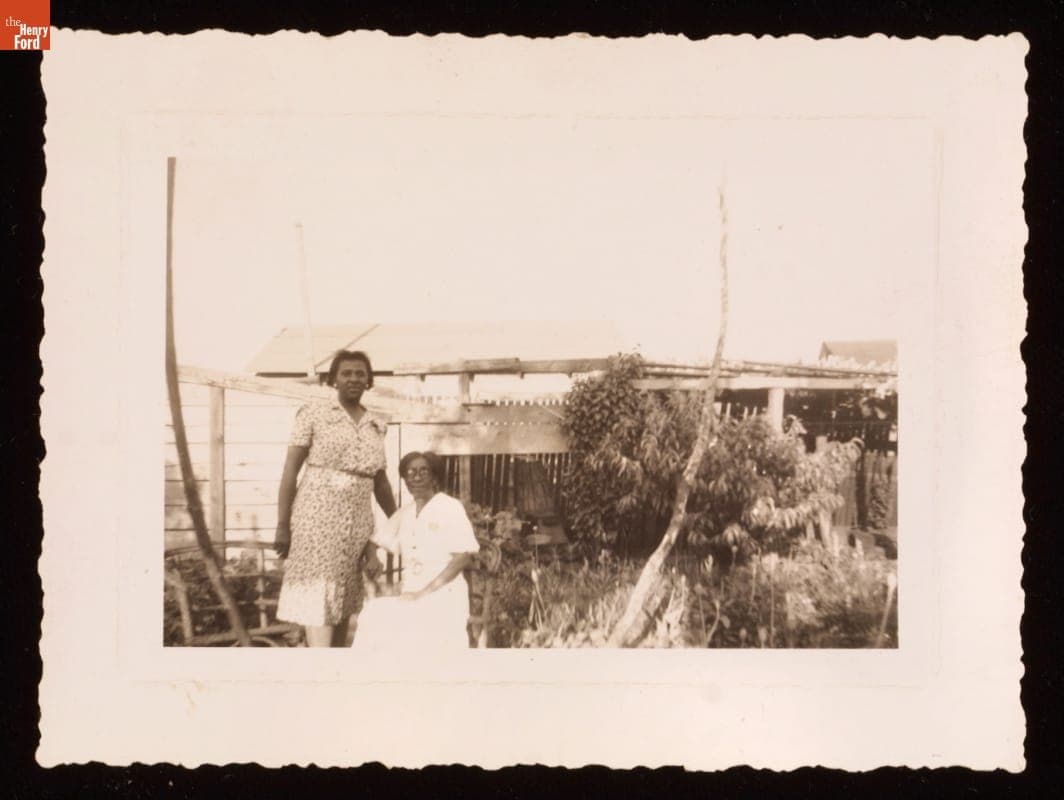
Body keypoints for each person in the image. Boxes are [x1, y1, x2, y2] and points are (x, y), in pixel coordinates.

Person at [274, 350, 397, 647]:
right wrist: (282, 524)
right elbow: (290, 472)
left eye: (360, 373)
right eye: (346, 373)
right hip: (317, 519)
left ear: (368, 381)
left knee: (343, 600)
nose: (354, 379)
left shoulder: (376, 425)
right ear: (333, 380)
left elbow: (380, 482)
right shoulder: (314, 414)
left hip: (358, 523)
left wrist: (398, 522)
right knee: (320, 599)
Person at [351, 451, 480, 654]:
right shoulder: (405, 513)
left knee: (412, 623)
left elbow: (462, 558)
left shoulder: (450, 507)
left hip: (444, 593)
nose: (416, 478)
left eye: (423, 472)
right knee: (373, 614)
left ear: (435, 477)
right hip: (411, 591)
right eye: (410, 474)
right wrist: (373, 557)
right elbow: (373, 540)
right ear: (405, 480)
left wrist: (423, 593)